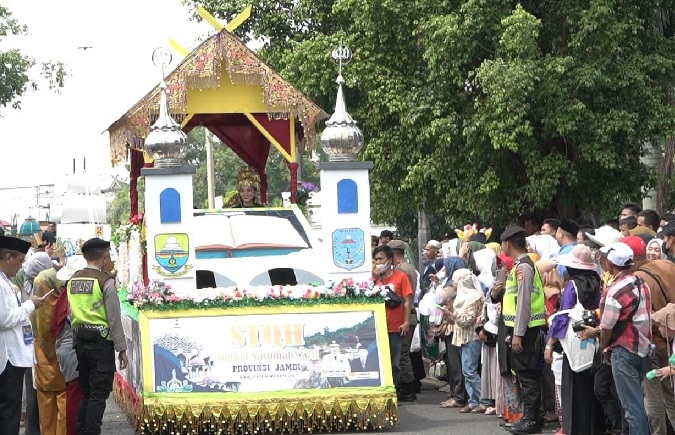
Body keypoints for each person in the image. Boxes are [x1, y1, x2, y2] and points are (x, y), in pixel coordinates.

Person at [67, 238, 128, 435]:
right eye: (109, 256)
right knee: (99, 395)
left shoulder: (73, 279)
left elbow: (70, 313)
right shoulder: (105, 282)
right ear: (104, 256)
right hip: (101, 344)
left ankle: (82, 431)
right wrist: (122, 348)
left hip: (80, 343)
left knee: (87, 393)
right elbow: (113, 318)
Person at [544, 245, 604, 435]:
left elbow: (563, 316)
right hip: (594, 338)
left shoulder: (573, 286)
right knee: (592, 388)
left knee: (573, 388)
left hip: (573, 344)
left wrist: (550, 343)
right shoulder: (598, 283)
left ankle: (575, 428)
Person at [598, 242, 652, 435]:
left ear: (611, 264)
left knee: (632, 408)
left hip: (623, 351)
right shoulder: (642, 284)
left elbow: (606, 327)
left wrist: (603, 345)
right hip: (643, 349)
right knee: (638, 404)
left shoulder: (614, 291)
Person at [500, 226, 546, 435]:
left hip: (526, 331)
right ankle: (528, 416)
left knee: (528, 376)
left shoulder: (524, 267)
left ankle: (531, 419)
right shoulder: (520, 265)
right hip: (521, 330)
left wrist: (518, 333)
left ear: (507, 244)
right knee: (523, 374)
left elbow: (524, 303)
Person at [0, 236, 48, 435]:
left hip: (14, 356)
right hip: (8, 357)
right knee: (8, 413)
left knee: (10, 410)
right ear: (8, 257)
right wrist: (30, 305)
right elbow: (5, 319)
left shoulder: (6, 283)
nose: (20, 267)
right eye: (20, 260)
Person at [52, 256, 88, 435]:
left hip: (66, 349)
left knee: (74, 394)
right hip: (72, 351)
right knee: (75, 397)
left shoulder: (66, 293)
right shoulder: (72, 296)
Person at [371, 245, 412, 395]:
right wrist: (374, 280)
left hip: (396, 327)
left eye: (381, 259)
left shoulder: (401, 277)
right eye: (375, 259)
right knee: (381, 362)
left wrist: (406, 322)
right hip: (377, 327)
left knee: (396, 362)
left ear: (389, 260)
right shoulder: (372, 279)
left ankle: (395, 391)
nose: (377, 262)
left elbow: (407, 300)